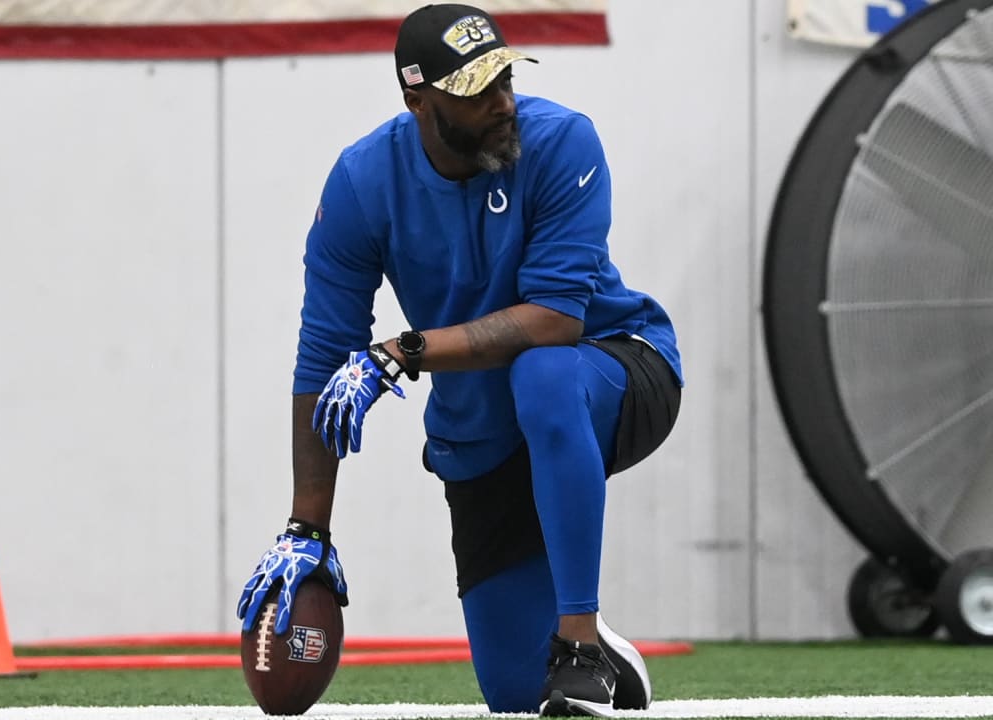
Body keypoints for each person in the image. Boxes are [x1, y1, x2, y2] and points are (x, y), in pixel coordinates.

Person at [235, 4, 683, 717]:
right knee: (512, 693)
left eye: (504, 79)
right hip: (480, 420)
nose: (502, 103)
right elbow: (322, 357)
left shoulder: (563, 140)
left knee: (542, 372)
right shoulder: (361, 184)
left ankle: (579, 645)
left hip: (612, 367)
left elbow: (555, 320)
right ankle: (594, 651)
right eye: (476, 91)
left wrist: (401, 352)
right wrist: (307, 527)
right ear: (418, 101)